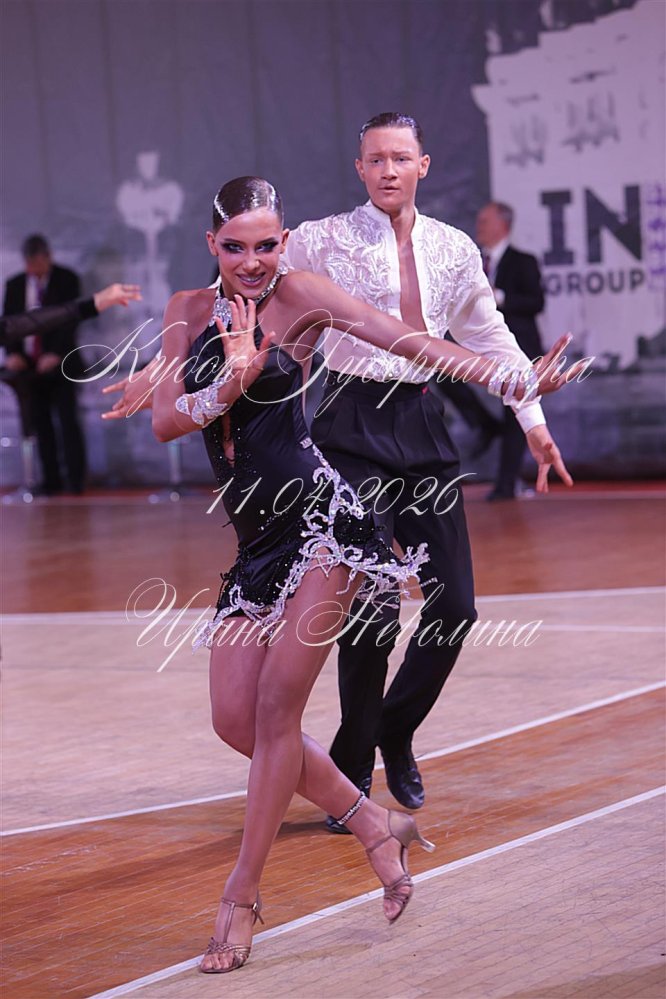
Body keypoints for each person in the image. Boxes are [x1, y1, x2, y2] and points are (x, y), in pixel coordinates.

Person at [137, 176, 577, 974]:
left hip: (324, 526)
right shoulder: (186, 311)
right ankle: (373, 822)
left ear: (284, 242)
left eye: (266, 244)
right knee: (234, 720)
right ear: (211, 244)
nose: (252, 261)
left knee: (276, 712)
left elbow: (405, 339)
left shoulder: (300, 295)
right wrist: (232, 376)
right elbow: (167, 419)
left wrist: (512, 382)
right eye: (235, 246)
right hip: (257, 542)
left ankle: (241, 896)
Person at [281, 112, 572, 828]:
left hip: (420, 421)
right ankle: (352, 770)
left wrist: (533, 423)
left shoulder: (453, 247)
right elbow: (259, 271)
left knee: (456, 605)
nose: (388, 169)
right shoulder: (322, 238)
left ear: (423, 165)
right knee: (372, 610)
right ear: (359, 168)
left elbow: (488, 336)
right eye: (375, 158)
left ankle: (395, 727)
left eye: (400, 157)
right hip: (347, 424)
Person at [3, 235, 85, 494]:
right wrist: (13, 353)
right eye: (29, 263)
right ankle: (51, 482)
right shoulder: (15, 285)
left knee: (67, 420)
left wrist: (55, 353)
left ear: (47, 257)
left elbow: (70, 321)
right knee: (39, 422)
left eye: (37, 262)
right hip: (29, 367)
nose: (34, 268)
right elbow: (9, 324)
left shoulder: (66, 279)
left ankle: (75, 481)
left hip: (61, 363)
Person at [476, 200, 546, 500]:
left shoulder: (523, 261)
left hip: (516, 346)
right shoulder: (471, 261)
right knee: (442, 375)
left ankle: (506, 483)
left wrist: (500, 297)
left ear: (503, 225)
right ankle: (484, 424)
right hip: (476, 347)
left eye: (485, 221)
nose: (479, 226)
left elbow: (536, 302)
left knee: (515, 412)